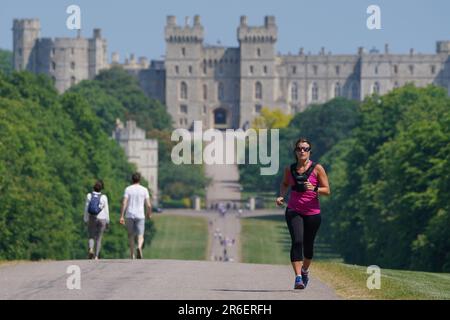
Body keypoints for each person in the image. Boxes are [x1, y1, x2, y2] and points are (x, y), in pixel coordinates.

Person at [276, 138, 330, 289]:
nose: (302, 151)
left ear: (309, 152)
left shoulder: (317, 168)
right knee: (297, 241)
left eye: (305, 149)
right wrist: (281, 195)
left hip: (313, 212)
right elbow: (285, 183)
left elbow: (327, 190)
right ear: (295, 151)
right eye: (299, 148)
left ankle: (305, 270)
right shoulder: (290, 169)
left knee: (308, 246)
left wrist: (314, 188)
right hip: (294, 210)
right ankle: (298, 277)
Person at [120, 173, 152, 259]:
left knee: (131, 235)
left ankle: (132, 254)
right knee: (140, 235)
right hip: (140, 215)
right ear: (140, 180)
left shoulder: (128, 189)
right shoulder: (144, 190)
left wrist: (122, 216)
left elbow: (124, 202)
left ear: (132, 179)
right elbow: (148, 205)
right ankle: (139, 246)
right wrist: (149, 213)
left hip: (129, 214)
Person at [84, 180, 110, 260]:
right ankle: (96, 256)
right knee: (99, 238)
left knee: (91, 235)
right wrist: (108, 221)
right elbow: (106, 210)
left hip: (92, 217)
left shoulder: (89, 195)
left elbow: (86, 208)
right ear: (102, 188)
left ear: (93, 187)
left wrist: (85, 219)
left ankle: (91, 249)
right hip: (102, 219)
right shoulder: (104, 197)